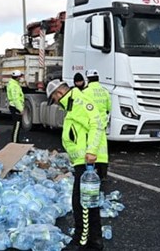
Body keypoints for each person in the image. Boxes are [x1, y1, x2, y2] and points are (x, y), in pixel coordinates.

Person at [46, 79, 106, 251]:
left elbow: (97, 124)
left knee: (83, 204)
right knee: (86, 202)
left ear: (58, 94)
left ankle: (82, 242)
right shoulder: (72, 103)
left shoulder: (79, 102)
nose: (56, 103)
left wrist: (92, 151)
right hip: (83, 161)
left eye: (55, 99)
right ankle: (94, 242)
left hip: (89, 162)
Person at [83, 69, 112, 140]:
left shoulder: (85, 92)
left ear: (88, 79)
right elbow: (109, 108)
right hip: (102, 123)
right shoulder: (105, 91)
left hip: (90, 123)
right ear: (98, 79)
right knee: (101, 144)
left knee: (91, 144)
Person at [6, 70, 25, 143]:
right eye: (20, 76)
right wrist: (21, 109)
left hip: (14, 106)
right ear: (17, 77)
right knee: (17, 125)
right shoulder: (14, 86)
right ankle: (14, 141)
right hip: (15, 107)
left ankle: (15, 140)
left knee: (17, 124)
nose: (20, 78)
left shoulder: (13, 83)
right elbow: (16, 99)